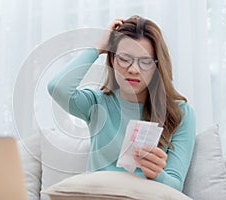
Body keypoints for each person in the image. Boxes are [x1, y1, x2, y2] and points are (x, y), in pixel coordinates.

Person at [47, 15, 196, 192]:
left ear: (157, 66)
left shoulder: (180, 113)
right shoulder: (96, 103)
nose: (133, 70)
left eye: (146, 62)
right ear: (112, 60)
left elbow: (175, 187)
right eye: (124, 59)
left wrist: (157, 173)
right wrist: (98, 48)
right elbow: (58, 87)